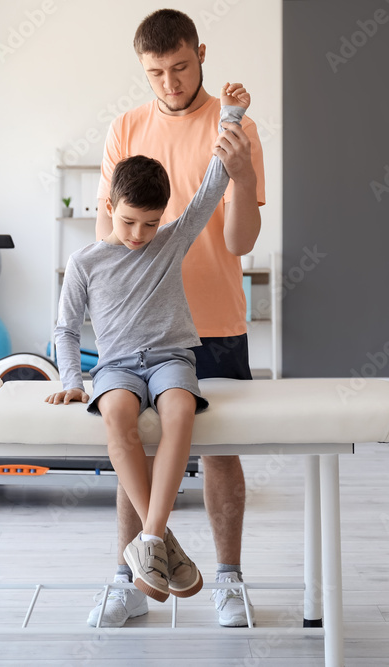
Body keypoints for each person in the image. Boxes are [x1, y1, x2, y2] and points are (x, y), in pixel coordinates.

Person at [89, 9, 267, 627]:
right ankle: (130, 579)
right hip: (139, 332)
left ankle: (229, 581)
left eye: (181, 67)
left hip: (214, 319)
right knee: (131, 450)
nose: (169, 82)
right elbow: (105, 236)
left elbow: (241, 241)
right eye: (155, 72)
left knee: (221, 455)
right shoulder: (125, 128)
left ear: (202, 54)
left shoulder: (233, 127)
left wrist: (241, 176)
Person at [47, 85, 252, 604]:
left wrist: (231, 115)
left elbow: (211, 187)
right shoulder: (85, 263)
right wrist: (73, 380)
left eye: (151, 223)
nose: (139, 234)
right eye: (128, 220)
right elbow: (66, 329)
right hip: (116, 365)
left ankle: (151, 537)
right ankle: (159, 538)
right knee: (117, 415)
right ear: (109, 204)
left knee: (181, 410)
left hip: (170, 359)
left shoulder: (169, 241)